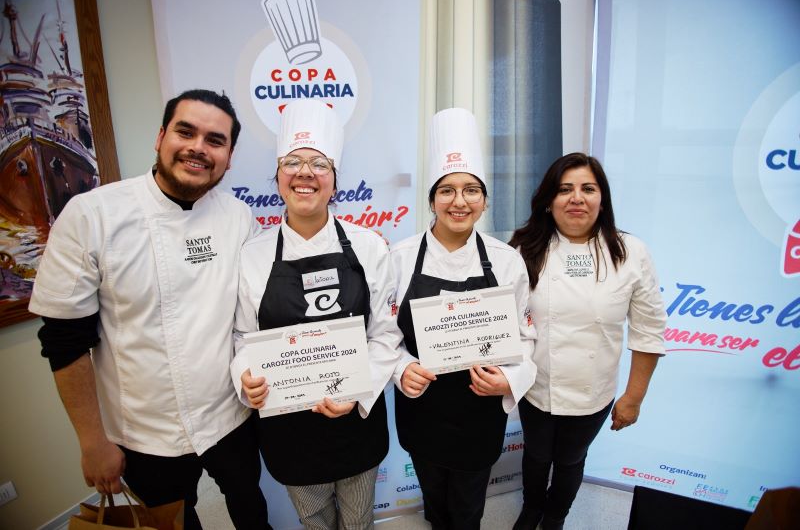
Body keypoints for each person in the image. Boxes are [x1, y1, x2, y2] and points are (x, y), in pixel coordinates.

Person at [29, 90, 271, 529]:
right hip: (143, 431)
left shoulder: (239, 218)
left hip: (229, 415)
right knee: (174, 522)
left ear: (229, 157)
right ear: (160, 137)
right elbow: (64, 342)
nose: (198, 147)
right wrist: (92, 442)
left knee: (250, 506)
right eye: (185, 131)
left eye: (215, 140)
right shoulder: (92, 216)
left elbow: (249, 319)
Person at [231, 99, 402, 530]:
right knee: (314, 520)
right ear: (277, 176)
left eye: (319, 163)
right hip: (289, 428)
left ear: (334, 180)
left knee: (359, 519)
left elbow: (386, 335)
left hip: (356, 420)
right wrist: (244, 377)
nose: (305, 172)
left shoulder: (368, 247)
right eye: (293, 162)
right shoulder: (252, 256)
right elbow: (242, 339)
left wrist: (357, 395)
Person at [390, 108, 537, 530]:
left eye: (471, 190)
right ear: (432, 200)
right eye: (447, 190)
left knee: (470, 506)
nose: (459, 201)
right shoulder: (400, 259)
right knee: (434, 500)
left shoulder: (507, 262)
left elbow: (525, 338)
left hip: (479, 412)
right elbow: (381, 334)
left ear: (485, 200)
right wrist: (402, 369)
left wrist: (509, 380)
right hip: (423, 408)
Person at [509, 152, 667, 530]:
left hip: (592, 390)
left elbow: (649, 328)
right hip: (535, 385)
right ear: (549, 200)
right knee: (535, 454)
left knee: (570, 459)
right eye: (565, 189)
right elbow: (504, 321)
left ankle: (555, 516)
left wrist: (634, 397)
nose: (576, 198)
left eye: (587, 189)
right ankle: (531, 508)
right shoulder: (523, 248)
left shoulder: (630, 253)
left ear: (602, 198)